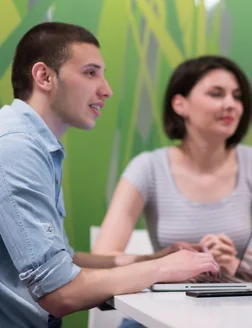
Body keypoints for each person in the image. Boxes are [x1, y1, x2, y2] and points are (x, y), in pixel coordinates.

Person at [0, 22, 219, 328]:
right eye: (90, 73)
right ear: (44, 76)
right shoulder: (15, 147)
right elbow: (59, 292)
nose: (106, 89)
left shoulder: (36, 145)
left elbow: (66, 262)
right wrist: (165, 269)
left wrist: (153, 260)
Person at [92, 55, 252, 277]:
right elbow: (103, 257)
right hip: (164, 305)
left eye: (238, 97)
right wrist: (163, 262)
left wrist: (239, 267)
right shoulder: (148, 167)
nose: (230, 105)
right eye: (216, 94)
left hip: (238, 306)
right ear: (180, 104)